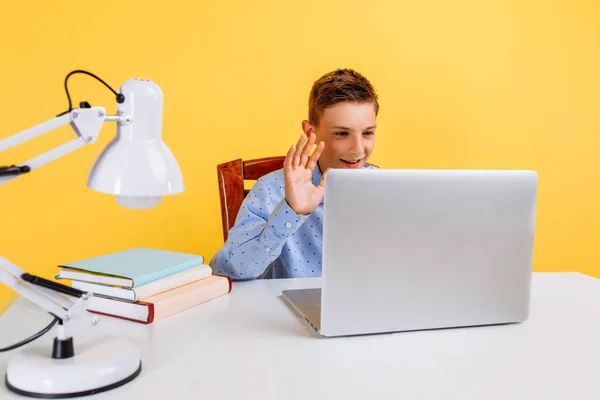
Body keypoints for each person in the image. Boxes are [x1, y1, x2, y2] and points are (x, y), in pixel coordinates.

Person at [210, 68, 379, 280]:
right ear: (310, 132)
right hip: (288, 311)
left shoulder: (384, 187)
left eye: (367, 133)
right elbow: (226, 271)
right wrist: (291, 212)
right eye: (341, 134)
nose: (357, 149)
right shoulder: (271, 190)